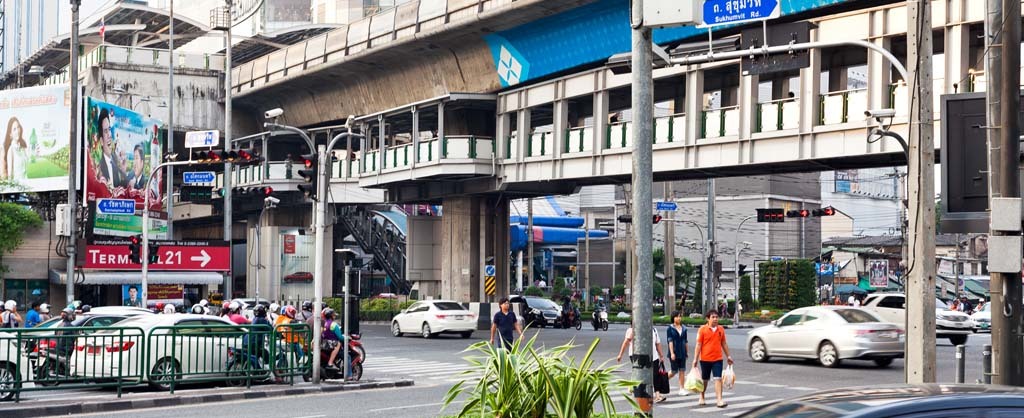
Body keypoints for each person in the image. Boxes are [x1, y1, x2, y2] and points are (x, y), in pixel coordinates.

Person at [616, 321, 668, 403]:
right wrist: (620, 355)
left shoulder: (654, 330)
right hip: (637, 356)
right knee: (640, 374)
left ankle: (657, 395)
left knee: (655, 375)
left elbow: (657, 344)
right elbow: (626, 342)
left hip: (653, 356)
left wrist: (661, 356)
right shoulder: (631, 330)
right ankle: (636, 389)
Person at [692, 310, 734, 408]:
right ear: (708, 318)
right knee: (705, 379)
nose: (715, 319)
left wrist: (728, 356)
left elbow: (724, 343)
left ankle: (719, 400)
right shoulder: (702, 329)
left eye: (716, 317)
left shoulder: (721, 329)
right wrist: (695, 359)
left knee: (718, 378)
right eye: (713, 317)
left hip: (717, 359)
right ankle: (702, 396)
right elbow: (698, 345)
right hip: (705, 359)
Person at [96, 109, 127, 188]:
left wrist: (123, 171)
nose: (110, 134)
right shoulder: (99, 168)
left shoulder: (115, 160)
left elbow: (121, 190)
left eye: (109, 129)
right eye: (106, 131)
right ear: (101, 141)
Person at [666, 311, 689, 397]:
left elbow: (685, 341)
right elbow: (670, 341)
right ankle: (662, 381)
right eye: (676, 317)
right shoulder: (670, 329)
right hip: (674, 352)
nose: (678, 318)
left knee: (682, 370)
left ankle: (682, 389)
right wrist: (672, 353)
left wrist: (686, 352)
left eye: (679, 316)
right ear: (673, 318)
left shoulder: (684, 328)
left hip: (682, 352)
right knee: (674, 371)